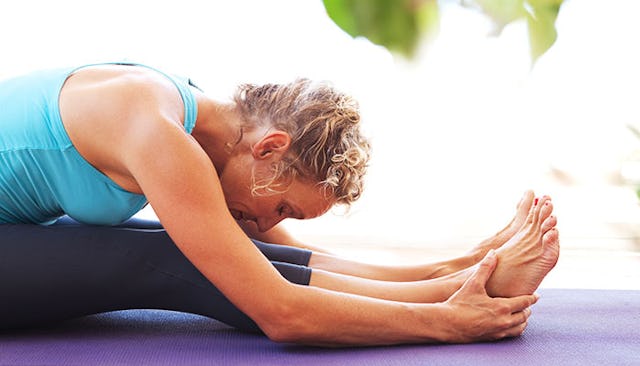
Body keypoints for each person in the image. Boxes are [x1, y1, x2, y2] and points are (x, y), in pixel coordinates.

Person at [0, 62, 560, 346]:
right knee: (167, 260)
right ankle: (453, 289)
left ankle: (457, 273)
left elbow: (271, 254)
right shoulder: (157, 133)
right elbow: (282, 313)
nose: (269, 223)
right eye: (283, 207)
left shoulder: (184, 109)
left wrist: (453, 268)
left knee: (195, 246)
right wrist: (444, 323)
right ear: (270, 148)